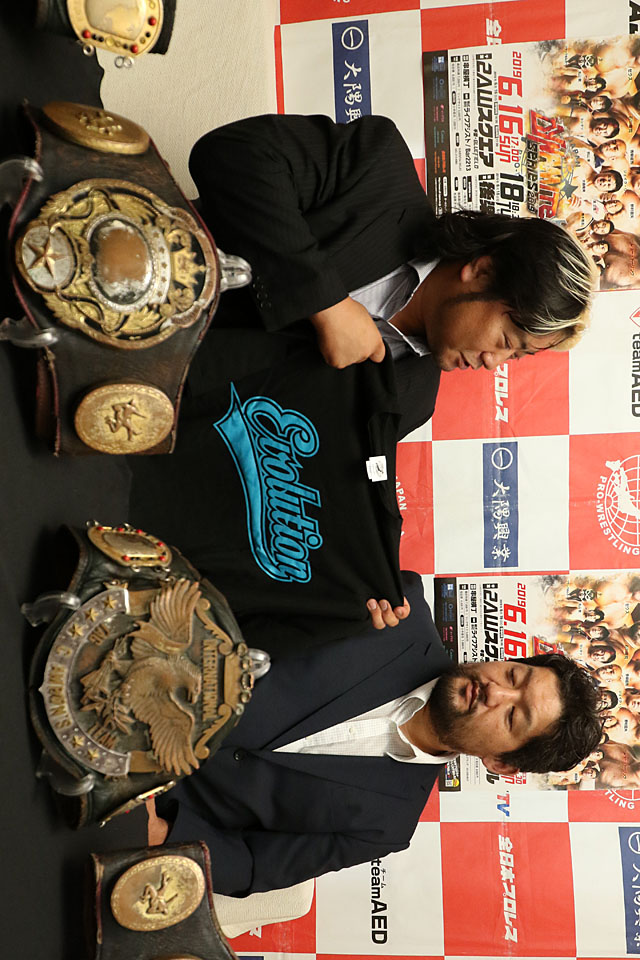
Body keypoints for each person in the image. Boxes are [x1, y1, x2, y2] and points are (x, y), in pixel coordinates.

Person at [150, 572, 602, 896]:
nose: (495, 691)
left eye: (513, 717)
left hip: (144, 798)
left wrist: (162, 834)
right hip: (152, 660)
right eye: (513, 674)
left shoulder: (386, 826)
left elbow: (251, 865)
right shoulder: (398, 612)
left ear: (500, 763)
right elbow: (249, 585)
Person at [186, 113, 596, 439]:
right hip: (159, 277)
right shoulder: (376, 169)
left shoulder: (411, 404)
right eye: (506, 341)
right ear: (483, 270)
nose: (493, 363)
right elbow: (231, 154)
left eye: (515, 356)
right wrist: (325, 303)